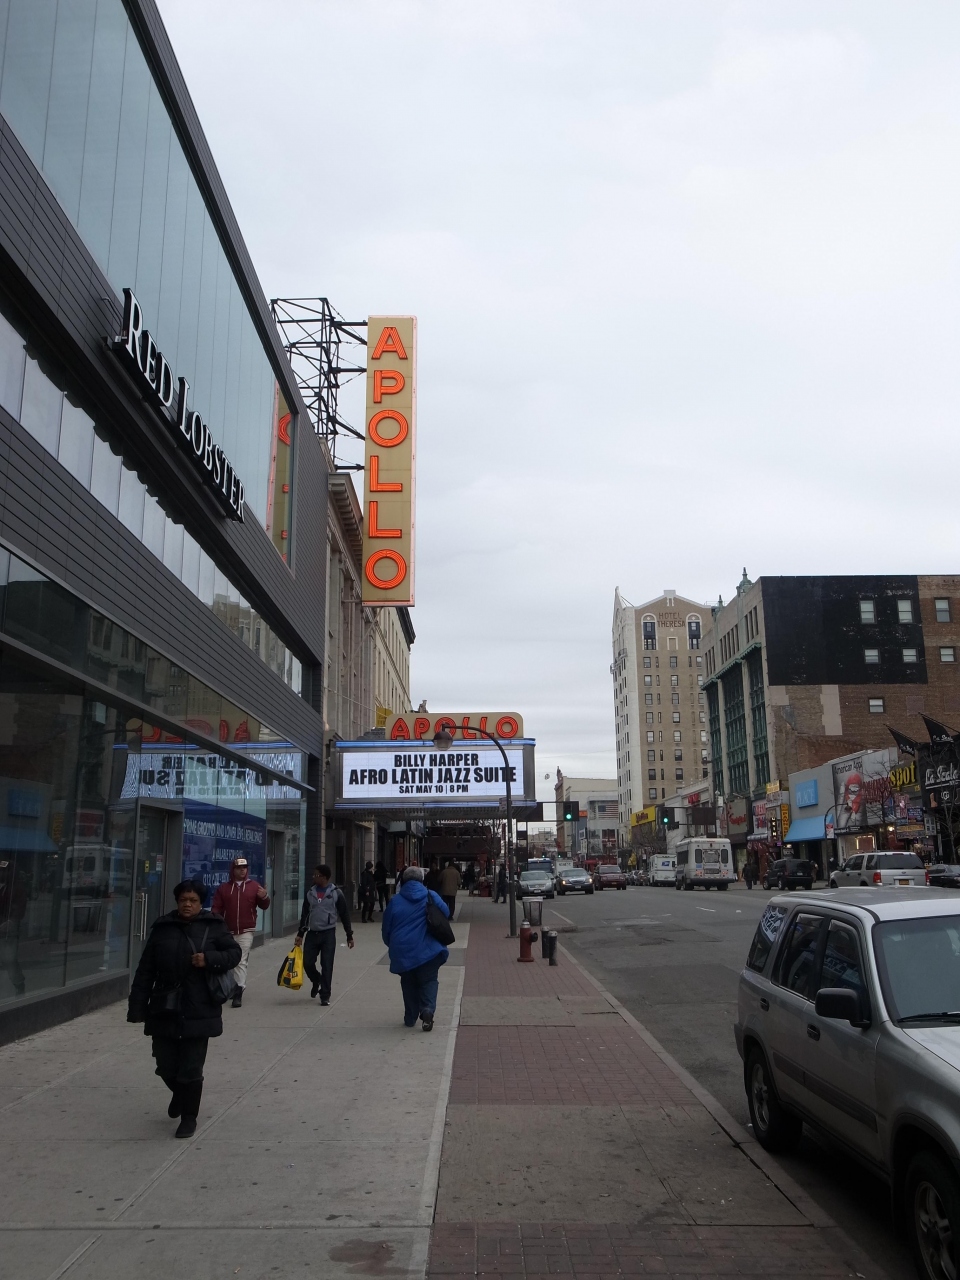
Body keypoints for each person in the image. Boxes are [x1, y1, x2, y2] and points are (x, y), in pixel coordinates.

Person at [127, 879, 241, 1138]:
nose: (187, 905)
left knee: (191, 1068)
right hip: (164, 1006)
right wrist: (137, 1007)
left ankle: (189, 1117)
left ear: (201, 903)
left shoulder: (214, 926)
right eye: (183, 900)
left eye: (193, 901)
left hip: (199, 1007)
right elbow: (145, 970)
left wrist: (209, 959)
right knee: (165, 1065)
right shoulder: (163, 928)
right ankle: (180, 1094)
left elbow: (234, 954)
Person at [381, 866, 449, 1031]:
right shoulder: (431, 895)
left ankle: (410, 1017)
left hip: (403, 950)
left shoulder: (395, 901)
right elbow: (446, 913)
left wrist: (392, 944)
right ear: (422, 880)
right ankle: (427, 1010)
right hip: (429, 950)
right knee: (429, 981)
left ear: (404, 880)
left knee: (408, 983)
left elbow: (386, 928)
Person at [211, 857, 270, 1007]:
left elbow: (264, 906)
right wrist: (215, 922)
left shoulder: (254, 886)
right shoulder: (224, 888)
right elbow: (216, 908)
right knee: (228, 961)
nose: (242, 870)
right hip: (227, 930)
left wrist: (264, 897)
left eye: (244, 867)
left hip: (246, 930)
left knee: (241, 960)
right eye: (239, 868)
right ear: (233, 870)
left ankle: (239, 990)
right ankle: (231, 986)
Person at [296, 865, 354, 1004]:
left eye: (316, 875)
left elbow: (344, 915)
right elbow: (305, 915)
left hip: (328, 933)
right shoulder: (310, 893)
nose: (313, 877)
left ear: (324, 877)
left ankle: (325, 995)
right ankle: (317, 980)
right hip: (312, 933)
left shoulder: (336, 893)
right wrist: (300, 934)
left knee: (327, 965)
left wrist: (349, 935)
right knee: (307, 962)